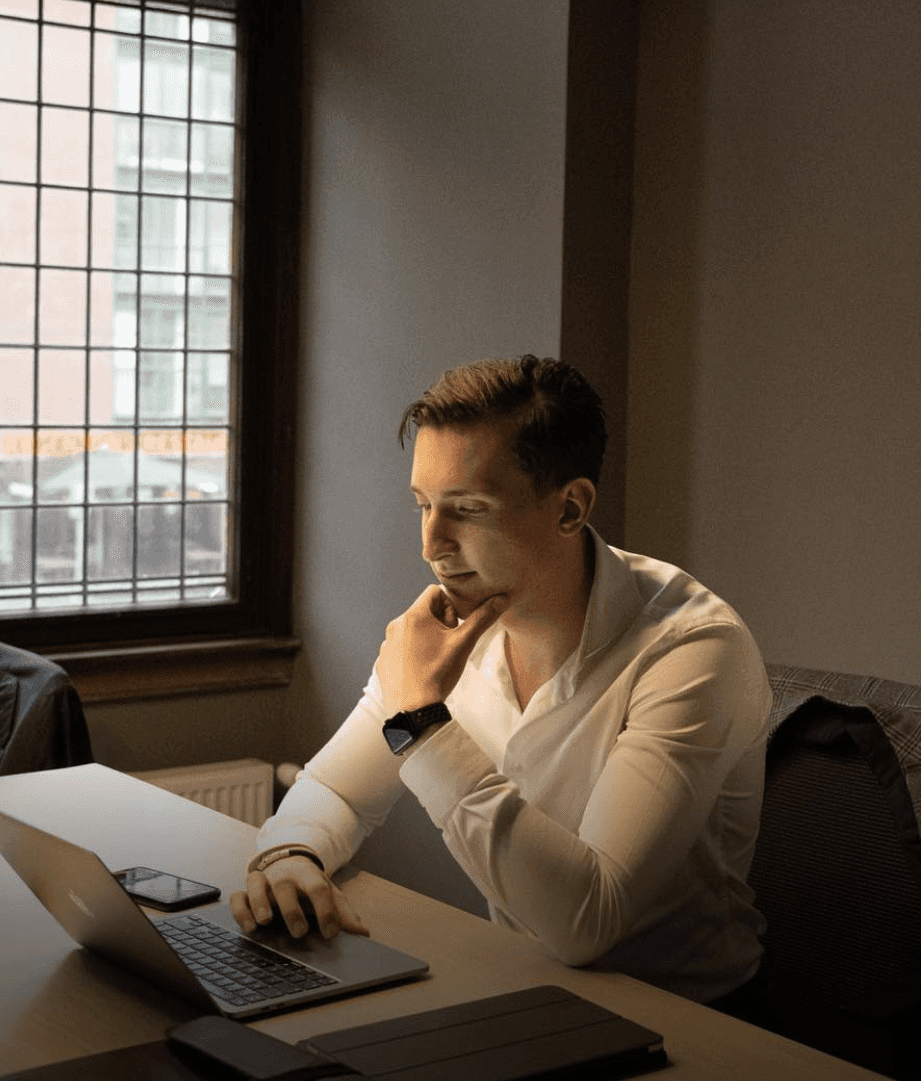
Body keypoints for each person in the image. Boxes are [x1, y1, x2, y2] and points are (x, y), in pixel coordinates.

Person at [229, 356, 772, 1007]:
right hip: (521, 989)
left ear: (570, 507)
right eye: (423, 505)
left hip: (695, 1028)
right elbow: (336, 792)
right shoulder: (449, 627)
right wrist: (290, 857)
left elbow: (588, 920)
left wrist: (422, 725)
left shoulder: (693, 652)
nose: (432, 544)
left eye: (467, 509)